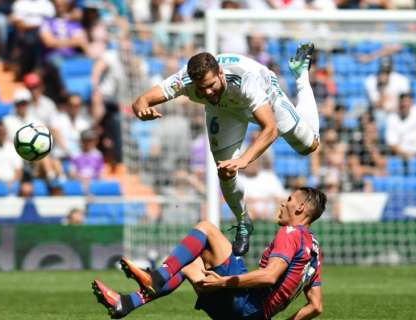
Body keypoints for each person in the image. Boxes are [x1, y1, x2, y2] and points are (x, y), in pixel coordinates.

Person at [131, 43, 321, 255]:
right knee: (225, 170)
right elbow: (141, 100)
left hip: (266, 98)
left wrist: (244, 159)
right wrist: (141, 111)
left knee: (309, 146)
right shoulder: (184, 80)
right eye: (201, 88)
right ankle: (243, 222)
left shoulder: (245, 79)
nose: (207, 91)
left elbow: (270, 129)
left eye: (211, 84)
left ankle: (301, 75)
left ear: (220, 73)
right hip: (223, 111)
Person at [92, 187, 326, 320]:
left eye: (289, 200)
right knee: (188, 263)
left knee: (206, 228)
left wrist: (223, 283)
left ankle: (157, 278)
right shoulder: (314, 248)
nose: (282, 203)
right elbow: (315, 306)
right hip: (253, 316)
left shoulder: (290, 233)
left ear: (300, 208)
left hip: (245, 304)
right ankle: (127, 303)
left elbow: (270, 276)